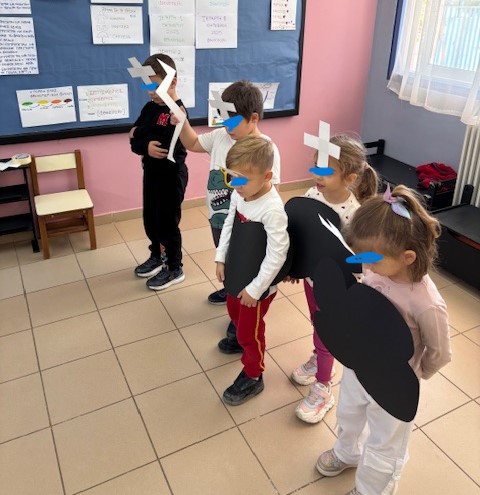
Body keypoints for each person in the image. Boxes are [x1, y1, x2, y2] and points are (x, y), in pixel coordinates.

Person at [316, 184, 452, 495]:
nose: (366, 265)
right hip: (359, 365)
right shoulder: (377, 270)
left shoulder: (426, 302)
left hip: (392, 383)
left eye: (372, 260)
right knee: (349, 412)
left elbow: (440, 352)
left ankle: (371, 489)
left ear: (407, 257)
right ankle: (347, 453)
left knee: (385, 442)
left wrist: (415, 372)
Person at [177, 80, 281, 351]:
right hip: (219, 218)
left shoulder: (265, 149)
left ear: (254, 118)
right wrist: (181, 117)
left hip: (248, 225)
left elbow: (270, 192)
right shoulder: (221, 136)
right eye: (223, 119)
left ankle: (241, 320)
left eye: (233, 121)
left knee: (245, 265)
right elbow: (192, 142)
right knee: (226, 259)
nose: (227, 127)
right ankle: (230, 288)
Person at [290, 135, 379, 423]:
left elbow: (360, 259)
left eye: (326, 170)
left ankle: (323, 386)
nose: (317, 174)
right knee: (316, 322)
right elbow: (302, 235)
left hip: (336, 287)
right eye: (315, 166)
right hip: (311, 280)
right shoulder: (311, 195)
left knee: (326, 331)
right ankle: (319, 356)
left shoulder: (354, 214)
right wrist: (295, 266)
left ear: (350, 178)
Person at [215, 136, 289, 405]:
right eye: (231, 177)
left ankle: (254, 374)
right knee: (234, 312)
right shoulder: (241, 193)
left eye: (241, 179)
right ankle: (240, 341)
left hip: (258, 286)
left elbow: (277, 254)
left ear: (267, 176)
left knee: (250, 331)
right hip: (238, 272)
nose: (235, 185)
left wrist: (256, 289)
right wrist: (220, 257)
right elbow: (229, 224)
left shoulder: (272, 210)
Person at [129, 54, 188, 291]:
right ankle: (157, 255)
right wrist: (143, 144)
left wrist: (139, 135)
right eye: (147, 86)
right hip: (151, 173)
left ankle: (174, 267)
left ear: (172, 82)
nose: (151, 92)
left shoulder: (177, 111)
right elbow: (134, 138)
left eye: (155, 86)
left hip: (171, 176)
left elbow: (162, 146)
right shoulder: (150, 108)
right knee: (151, 219)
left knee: (167, 223)